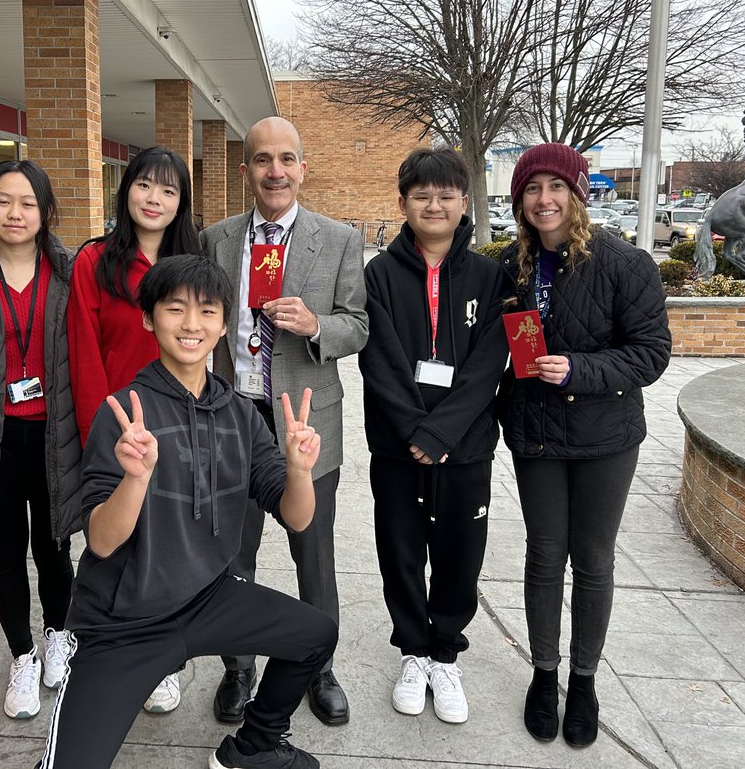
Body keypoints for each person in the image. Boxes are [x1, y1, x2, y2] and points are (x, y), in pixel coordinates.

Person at [38, 254, 336, 769]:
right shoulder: (126, 413)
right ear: (149, 318)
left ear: (224, 325)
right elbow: (103, 542)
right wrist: (135, 478)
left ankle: (253, 747)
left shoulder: (241, 413)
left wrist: (299, 471)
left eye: (207, 311)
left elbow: (298, 517)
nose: (192, 324)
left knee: (314, 633)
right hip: (123, 619)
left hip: (207, 597)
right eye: (175, 309)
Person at [497, 143, 670, 747]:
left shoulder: (627, 264)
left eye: (555, 187)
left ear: (577, 193)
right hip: (536, 436)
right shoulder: (511, 268)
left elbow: (651, 355)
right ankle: (544, 675)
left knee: (593, 559)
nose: (545, 200)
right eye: (532, 189)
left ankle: (585, 678)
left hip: (605, 438)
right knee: (545, 554)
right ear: (519, 200)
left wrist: (579, 370)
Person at [201, 116, 368, 726]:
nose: (276, 171)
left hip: (303, 419)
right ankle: (238, 666)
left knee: (313, 555)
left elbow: (360, 323)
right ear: (245, 169)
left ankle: (316, 666)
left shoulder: (340, 240)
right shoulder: (216, 239)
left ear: (302, 168)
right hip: (233, 416)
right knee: (231, 555)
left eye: (287, 159)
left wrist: (318, 326)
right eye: (263, 159)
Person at [358, 148, 512, 724]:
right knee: (399, 549)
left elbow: (488, 361)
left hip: (465, 445)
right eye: (421, 194)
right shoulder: (378, 273)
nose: (434, 204)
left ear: (464, 202)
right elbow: (379, 357)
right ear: (403, 203)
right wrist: (414, 431)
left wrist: (443, 432)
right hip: (396, 446)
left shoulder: (490, 276)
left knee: (458, 552)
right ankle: (413, 651)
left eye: (446, 194)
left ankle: (445, 652)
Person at [66, 145, 199, 712]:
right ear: (126, 191)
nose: (155, 198)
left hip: (181, 424)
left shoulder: (192, 263)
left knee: (171, 546)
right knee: (110, 542)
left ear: (180, 204)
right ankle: (104, 643)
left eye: (169, 191)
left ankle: (164, 660)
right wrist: (103, 431)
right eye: (145, 185)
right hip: (117, 427)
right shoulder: (94, 262)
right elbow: (84, 350)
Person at [0, 160, 82, 720]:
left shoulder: (72, 271)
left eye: (27, 203)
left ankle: (58, 637)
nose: (15, 213)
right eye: (3, 201)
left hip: (53, 433)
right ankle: (22, 657)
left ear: (45, 212)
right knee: (4, 550)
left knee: (53, 545)